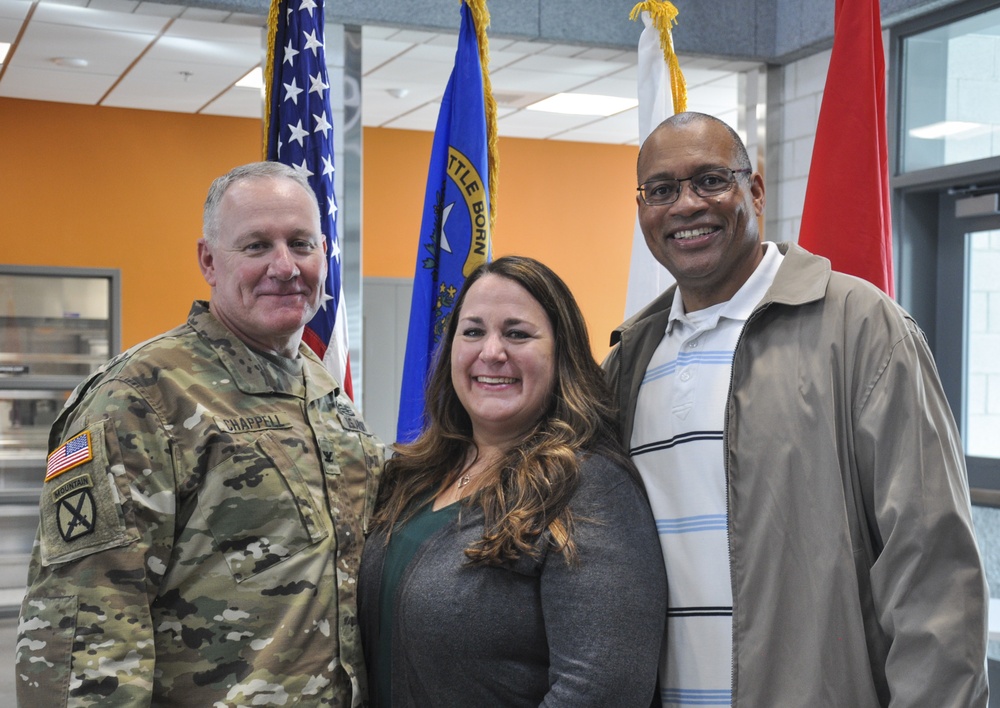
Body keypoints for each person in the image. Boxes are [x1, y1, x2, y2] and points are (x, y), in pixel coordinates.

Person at [604, 110, 989, 707]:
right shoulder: (630, 360)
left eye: (710, 180)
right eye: (662, 189)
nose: (685, 205)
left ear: (754, 190)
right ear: (642, 209)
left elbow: (931, 569)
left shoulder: (860, 326)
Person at [16, 161, 384, 706]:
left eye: (302, 243)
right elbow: (79, 637)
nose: (285, 266)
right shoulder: (138, 398)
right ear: (209, 260)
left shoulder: (320, 385)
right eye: (257, 246)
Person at [358, 255, 666, 707]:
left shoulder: (590, 486)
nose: (491, 352)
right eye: (473, 331)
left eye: (517, 333)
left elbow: (601, 690)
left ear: (561, 354)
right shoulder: (411, 476)